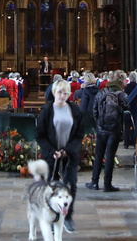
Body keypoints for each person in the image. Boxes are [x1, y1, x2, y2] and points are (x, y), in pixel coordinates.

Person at [34, 77, 84, 232]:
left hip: (69, 154)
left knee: (71, 186)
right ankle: (52, 217)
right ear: (54, 93)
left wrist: (67, 150)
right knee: (51, 186)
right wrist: (52, 151)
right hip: (52, 155)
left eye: (65, 93)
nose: (62, 96)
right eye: (59, 92)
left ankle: (67, 217)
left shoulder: (75, 110)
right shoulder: (47, 111)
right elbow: (40, 134)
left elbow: (79, 134)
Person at [87, 77, 126, 192]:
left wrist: (99, 123)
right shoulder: (121, 95)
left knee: (99, 156)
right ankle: (107, 184)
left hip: (101, 129)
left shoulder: (100, 94)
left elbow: (94, 111)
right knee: (110, 156)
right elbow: (126, 109)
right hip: (114, 130)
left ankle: (94, 182)